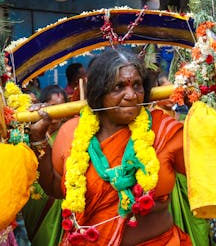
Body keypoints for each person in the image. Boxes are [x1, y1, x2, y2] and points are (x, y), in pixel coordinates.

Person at [28, 48, 197, 245]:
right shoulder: (71, 133)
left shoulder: (162, 131)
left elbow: (206, 170)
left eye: (137, 85)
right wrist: (38, 138)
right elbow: (57, 189)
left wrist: (199, 109)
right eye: (119, 87)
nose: (131, 95)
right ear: (99, 92)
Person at [23, 85, 68, 246]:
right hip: (35, 195)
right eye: (52, 106)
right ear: (42, 106)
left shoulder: (68, 133)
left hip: (56, 199)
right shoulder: (26, 131)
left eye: (61, 106)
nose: (57, 112)